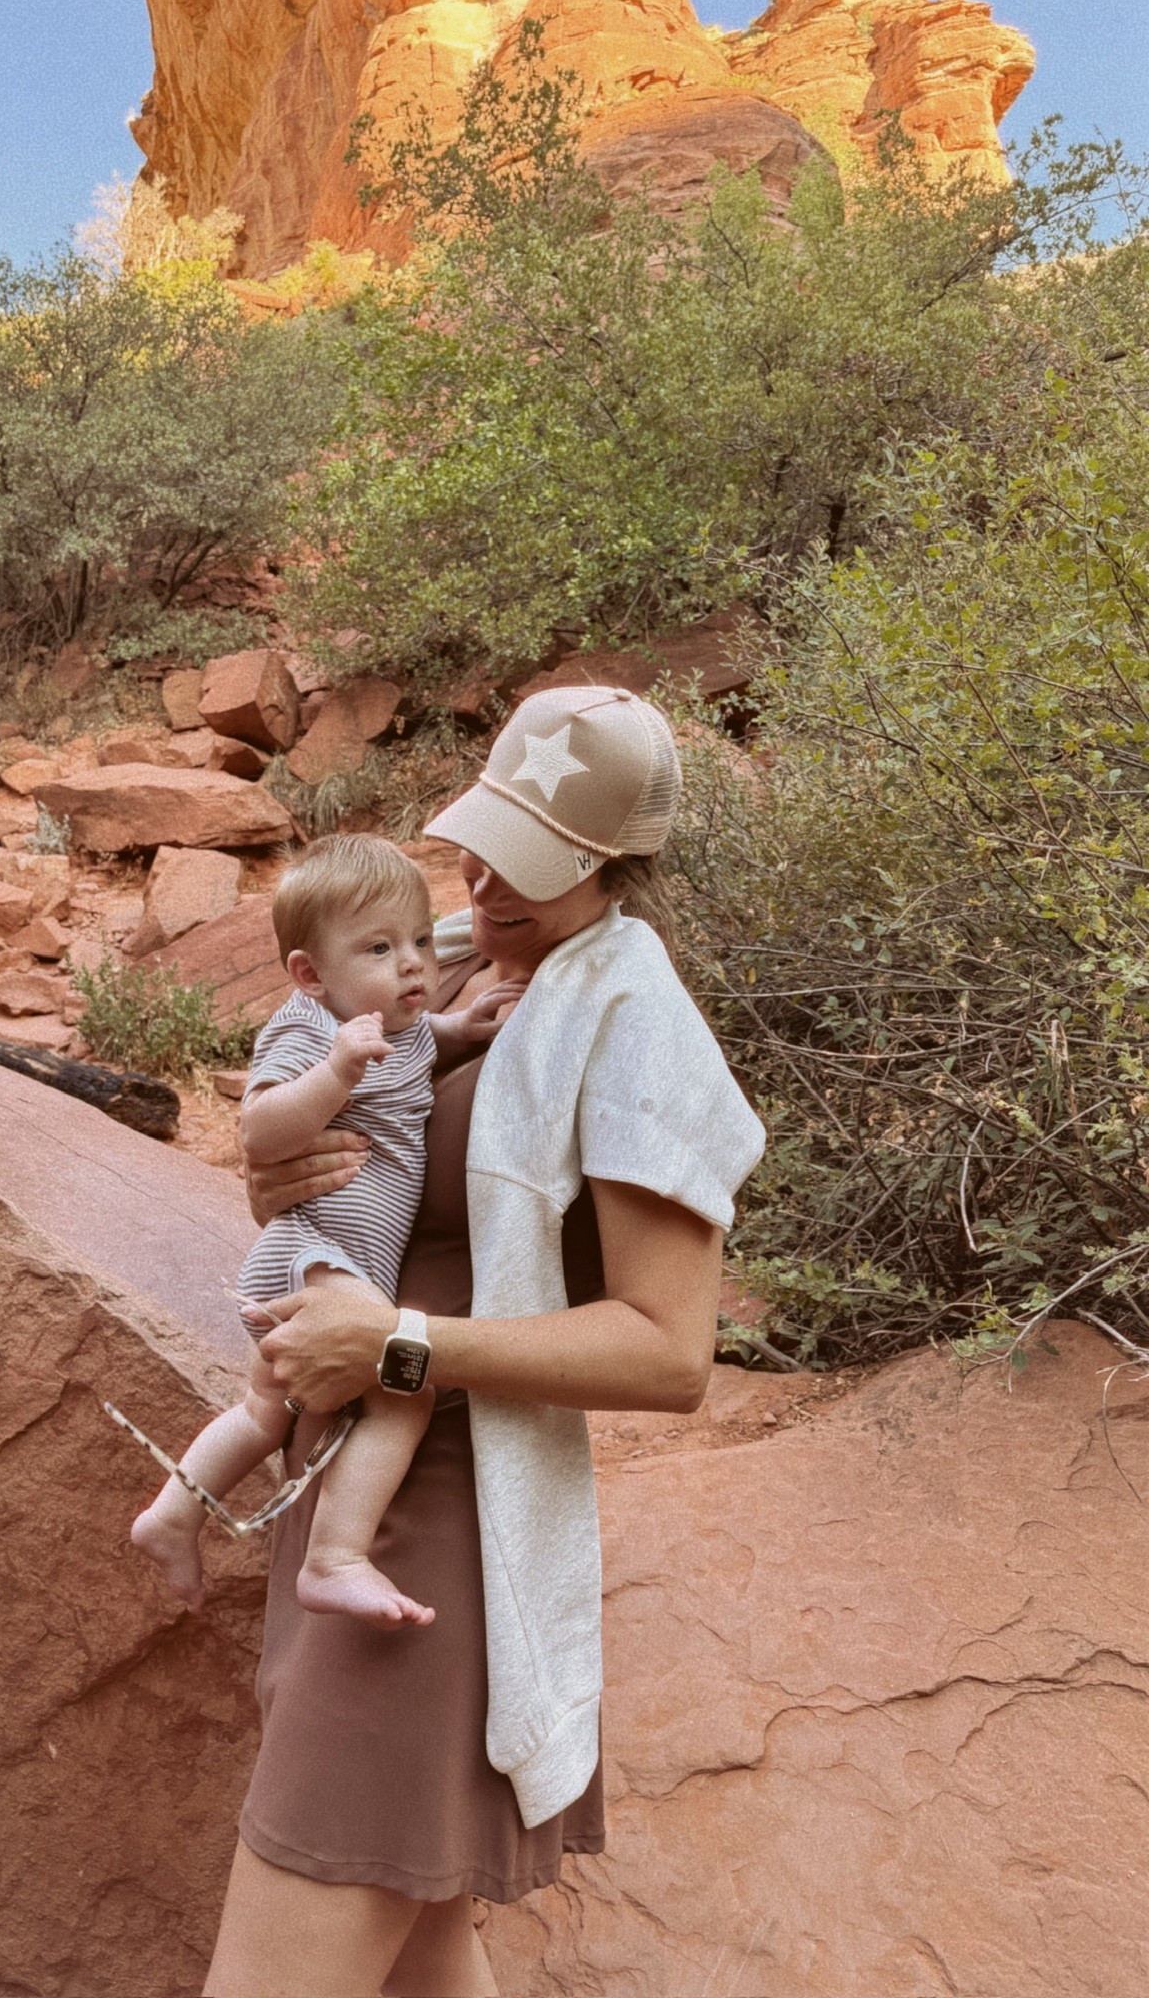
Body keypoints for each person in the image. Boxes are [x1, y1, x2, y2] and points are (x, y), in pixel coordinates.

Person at [202, 685, 767, 1998]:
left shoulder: (631, 1021)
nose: (490, 878)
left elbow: (668, 1353)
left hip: (445, 1530)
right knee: (422, 1959)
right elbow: (319, 1141)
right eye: (486, 836)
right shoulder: (440, 952)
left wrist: (397, 1346)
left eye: (534, 862)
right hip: (343, 1496)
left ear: (615, 865)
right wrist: (278, 1180)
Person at [132, 834, 520, 1629]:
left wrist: (465, 1029)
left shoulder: (395, 1022)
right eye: (380, 947)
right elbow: (262, 1132)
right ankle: (335, 1557)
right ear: (311, 975)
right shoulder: (309, 1030)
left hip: (330, 1257)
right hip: (317, 1250)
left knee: (261, 1413)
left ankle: (173, 1512)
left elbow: (419, 1049)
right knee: (406, 1394)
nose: (414, 963)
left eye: (418, 939)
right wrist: (335, 1074)